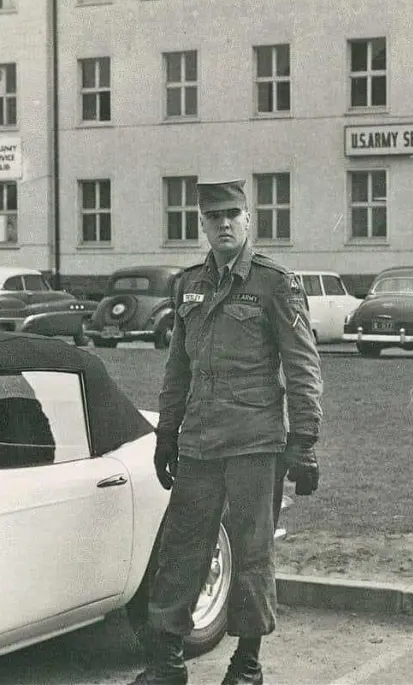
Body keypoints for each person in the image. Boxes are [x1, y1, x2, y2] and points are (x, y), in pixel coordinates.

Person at [130, 180, 322, 685]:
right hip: (198, 442)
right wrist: (166, 434)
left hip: (255, 443)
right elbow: (178, 369)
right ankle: (167, 662)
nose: (223, 224)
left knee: (252, 553)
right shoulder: (190, 283)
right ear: (202, 224)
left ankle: (247, 664)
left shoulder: (275, 283)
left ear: (247, 219)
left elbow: (302, 366)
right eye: (213, 217)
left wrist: (304, 441)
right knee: (179, 550)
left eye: (232, 214)